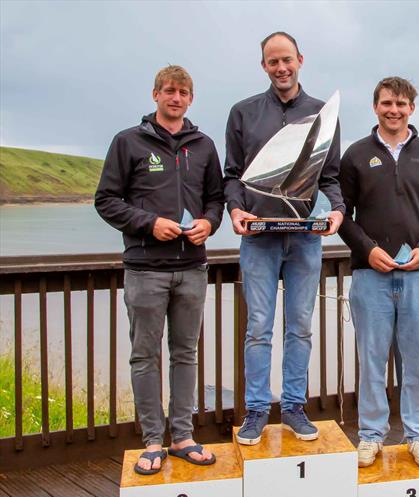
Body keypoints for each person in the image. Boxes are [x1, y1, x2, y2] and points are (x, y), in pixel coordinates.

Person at [95, 65, 224, 474]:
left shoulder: (203, 145)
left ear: (191, 98)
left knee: (185, 355)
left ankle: (183, 436)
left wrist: (209, 223)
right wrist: (149, 224)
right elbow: (107, 200)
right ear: (155, 95)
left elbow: (217, 199)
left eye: (183, 92)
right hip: (145, 269)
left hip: (192, 268)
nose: (176, 97)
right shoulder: (128, 142)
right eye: (169, 90)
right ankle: (153, 440)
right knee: (145, 356)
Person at [224, 32, 344, 444]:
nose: (281, 67)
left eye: (287, 60)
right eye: (273, 61)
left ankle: (294, 406)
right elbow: (232, 176)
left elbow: (331, 177)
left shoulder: (322, 114)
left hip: (306, 240)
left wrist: (339, 212)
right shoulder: (242, 113)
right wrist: (236, 210)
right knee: (258, 327)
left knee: (301, 327)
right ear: (263, 66)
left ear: (300, 60)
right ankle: (256, 410)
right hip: (259, 238)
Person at [339, 77, 419, 468]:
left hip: (418, 277)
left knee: (416, 361)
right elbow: (342, 217)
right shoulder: (355, 155)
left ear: (412, 109)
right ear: (375, 107)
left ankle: (418, 435)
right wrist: (367, 250)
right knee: (371, 360)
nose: (394, 110)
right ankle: (371, 435)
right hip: (370, 277)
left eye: (402, 104)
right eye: (387, 103)